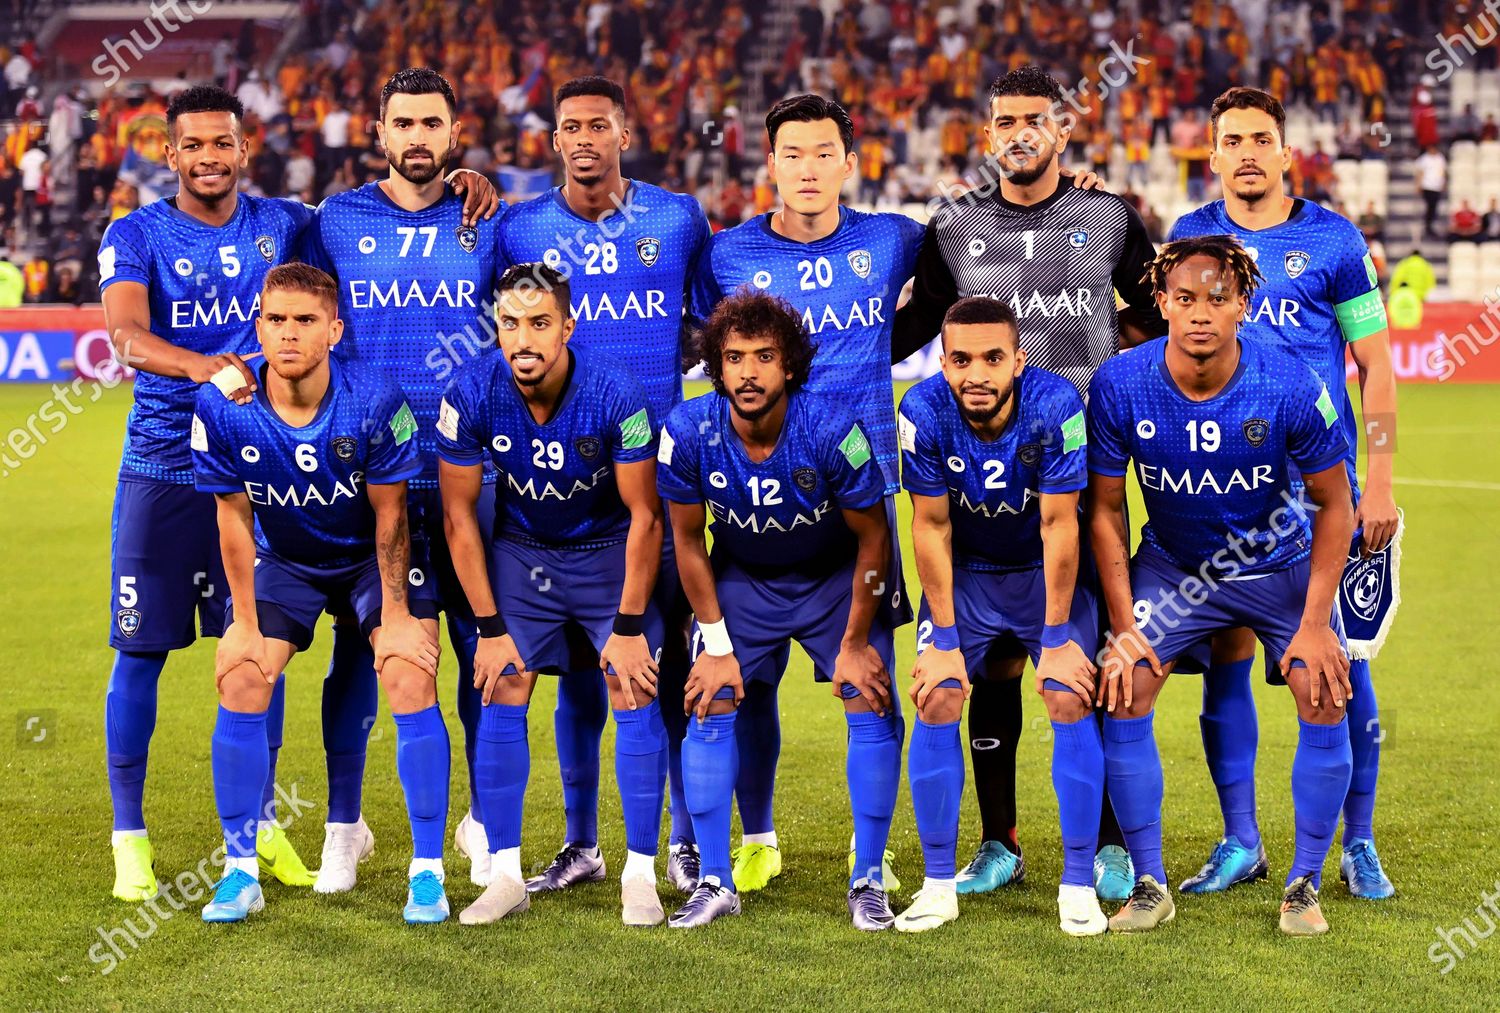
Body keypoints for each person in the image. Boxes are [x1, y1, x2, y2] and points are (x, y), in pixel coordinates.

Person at [892, 64, 1168, 903]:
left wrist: (1113, 372)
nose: (1020, 132)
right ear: (985, 137)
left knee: (1082, 658)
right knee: (998, 665)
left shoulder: (1107, 217)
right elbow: (910, 327)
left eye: (1036, 120)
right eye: (1004, 120)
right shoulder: (953, 226)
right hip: (980, 476)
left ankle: (1114, 845)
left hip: (1082, 479)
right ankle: (999, 839)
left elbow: (1156, 317)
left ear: (1063, 130)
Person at [1086, 234, 1356, 936]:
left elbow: (1336, 504)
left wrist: (1318, 621)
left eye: (1216, 298)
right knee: (1126, 682)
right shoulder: (1120, 382)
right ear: (1162, 303)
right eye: (1184, 299)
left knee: (1319, 686)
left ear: (1244, 302)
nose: (1200, 313)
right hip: (1175, 566)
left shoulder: (1290, 380)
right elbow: (1108, 511)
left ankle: (1304, 881)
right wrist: (1126, 626)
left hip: (1276, 566)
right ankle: (1148, 881)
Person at [689, 92, 922, 894]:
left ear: (850, 164)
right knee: (744, 688)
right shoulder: (724, 254)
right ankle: (756, 836)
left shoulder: (893, 239)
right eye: (793, 153)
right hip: (753, 496)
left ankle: (874, 852)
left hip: (861, 496)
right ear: (771, 164)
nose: (809, 168)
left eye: (825, 152)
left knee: (870, 679)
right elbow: (707, 344)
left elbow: (973, 263)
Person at [1171, 87, 1400, 899]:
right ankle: (1242, 841)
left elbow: (1375, 363)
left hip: (1321, 488)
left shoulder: (1333, 238)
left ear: (1285, 152)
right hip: (1225, 490)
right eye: (1231, 139)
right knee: (1228, 656)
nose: (1247, 153)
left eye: (1261, 138)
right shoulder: (1190, 236)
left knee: (1342, 664)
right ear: (1213, 155)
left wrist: (1380, 480)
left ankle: (1358, 840)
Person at [97, 85, 316, 902]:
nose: (209, 158)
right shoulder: (138, 233)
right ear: (171, 153)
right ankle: (130, 837)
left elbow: (377, 216)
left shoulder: (286, 223)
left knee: (262, 648)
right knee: (141, 653)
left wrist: (467, 185)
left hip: (260, 471)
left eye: (222, 143)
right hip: (162, 470)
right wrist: (201, 368)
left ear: (242, 147)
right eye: (193, 146)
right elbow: (125, 335)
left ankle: (259, 828)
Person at [493, 75, 710, 896]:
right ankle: (582, 842)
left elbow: (720, 315)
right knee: (578, 671)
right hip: (552, 482)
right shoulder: (519, 226)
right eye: (569, 126)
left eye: (599, 125)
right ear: (554, 139)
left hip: (660, 481)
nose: (584, 138)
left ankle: (684, 841)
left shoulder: (677, 216)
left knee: (665, 660)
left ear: (625, 131)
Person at [192, 264, 450, 924]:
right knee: (243, 675)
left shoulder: (373, 397)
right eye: (275, 320)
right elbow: (231, 517)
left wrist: (395, 615)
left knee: (408, 670)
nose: (288, 334)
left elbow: (391, 515)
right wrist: (243, 623)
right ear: (259, 325)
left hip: (370, 558)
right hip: (288, 561)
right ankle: (240, 870)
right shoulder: (223, 404)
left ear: (334, 329)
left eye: (305, 320)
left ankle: (427, 873)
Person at [301, 66, 503, 893]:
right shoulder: (333, 221)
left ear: (456, 131)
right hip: (369, 475)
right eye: (402, 123)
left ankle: (486, 820)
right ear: (378, 133)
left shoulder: (490, 220)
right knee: (361, 650)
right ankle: (345, 825)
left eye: (432, 123)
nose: (417, 137)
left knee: (479, 644)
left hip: (471, 472)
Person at [658, 290, 902, 930]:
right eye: (733, 357)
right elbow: (687, 541)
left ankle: (869, 877)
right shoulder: (687, 431)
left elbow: (875, 537)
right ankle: (714, 880)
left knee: (868, 693)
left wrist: (854, 641)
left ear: (789, 365)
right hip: (746, 581)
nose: (747, 372)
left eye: (764, 356)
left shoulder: (831, 429)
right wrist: (713, 642)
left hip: (834, 582)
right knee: (709, 698)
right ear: (714, 365)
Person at [439, 263, 670, 928]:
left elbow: (645, 517)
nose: (524, 339)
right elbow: (458, 518)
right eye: (510, 324)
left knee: (633, 684)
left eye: (540, 323)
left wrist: (627, 626)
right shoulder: (471, 390)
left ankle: (639, 874)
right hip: (524, 552)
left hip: (607, 550)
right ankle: (506, 874)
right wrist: (489, 626)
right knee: (503, 681)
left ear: (568, 326)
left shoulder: (616, 391)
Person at [894, 295, 1105, 936]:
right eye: (960, 360)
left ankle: (1077, 884)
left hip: (1047, 577)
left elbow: (1060, 523)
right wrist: (946, 637)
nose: (975, 375)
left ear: (1018, 358)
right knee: (937, 695)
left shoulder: (1057, 406)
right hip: (970, 582)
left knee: (1069, 695)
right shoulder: (922, 410)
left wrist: (1060, 635)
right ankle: (936, 885)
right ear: (942, 358)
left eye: (992, 359)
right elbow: (928, 527)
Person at [1415, 145, 1446, 238]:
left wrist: (1443, 183)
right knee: (1430, 206)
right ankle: (1427, 225)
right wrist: (1418, 184)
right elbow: (1420, 172)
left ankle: (1430, 225)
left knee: (1434, 206)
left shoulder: (1440, 158)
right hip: (1427, 186)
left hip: (1437, 186)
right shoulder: (1424, 159)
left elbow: (1443, 171)